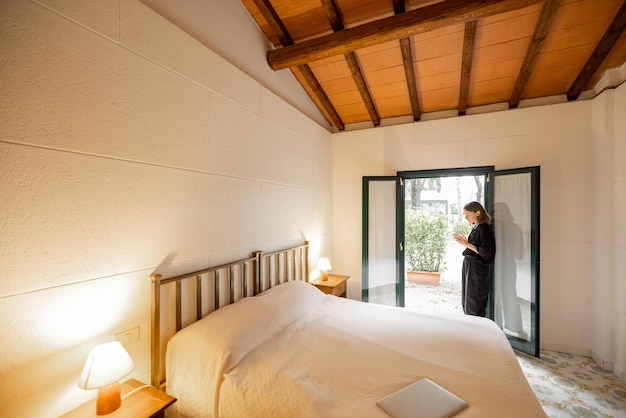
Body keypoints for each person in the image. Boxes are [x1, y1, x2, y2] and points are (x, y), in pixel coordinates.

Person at [453, 201, 496, 317]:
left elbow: (487, 253)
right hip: (470, 266)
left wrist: (466, 244)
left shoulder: (484, 228)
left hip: (477, 268)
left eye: (468, 214)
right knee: (468, 298)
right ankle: (470, 328)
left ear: (478, 212)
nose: (466, 217)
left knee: (475, 301)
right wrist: (466, 241)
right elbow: (476, 246)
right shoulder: (477, 227)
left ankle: (475, 330)